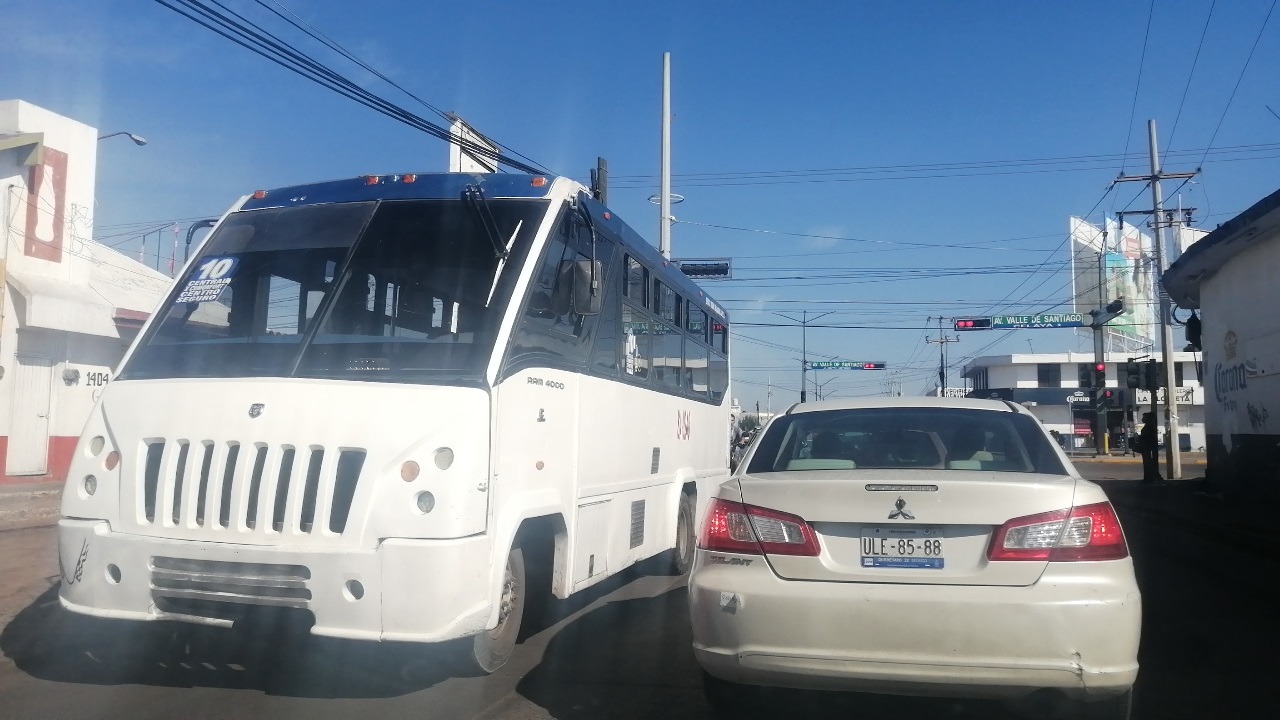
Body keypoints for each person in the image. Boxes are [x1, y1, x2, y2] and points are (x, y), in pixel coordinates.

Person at [1139, 412, 1163, 484]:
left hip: (1148, 449)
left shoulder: (1149, 427)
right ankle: (1148, 477)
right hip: (1147, 448)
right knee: (1147, 463)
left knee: (1148, 463)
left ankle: (1149, 478)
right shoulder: (1149, 426)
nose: (1142, 419)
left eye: (1144, 417)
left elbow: (1148, 438)